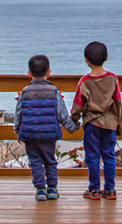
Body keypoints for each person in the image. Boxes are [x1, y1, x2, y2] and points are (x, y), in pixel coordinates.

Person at [14, 54, 78, 201]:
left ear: (29, 74)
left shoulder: (24, 92)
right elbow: (62, 114)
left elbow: (18, 114)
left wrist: (18, 130)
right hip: (49, 135)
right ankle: (52, 188)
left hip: (30, 134)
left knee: (35, 161)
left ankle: (40, 189)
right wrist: (72, 127)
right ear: (49, 73)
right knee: (50, 160)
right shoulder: (54, 92)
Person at [71, 41, 122, 200]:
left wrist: (74, 119)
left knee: (92, 157)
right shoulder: (113, 79)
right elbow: (118, 102)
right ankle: (110, 189)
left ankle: (94, 189)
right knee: (109, 156)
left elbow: (78, 104)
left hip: (92, 124)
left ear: (86, 60)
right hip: (110, 123)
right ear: (106, 57)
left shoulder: (84, 81)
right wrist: (119, 124)